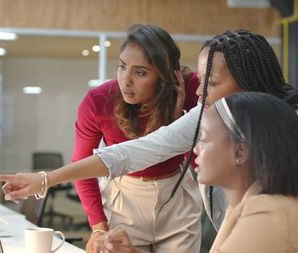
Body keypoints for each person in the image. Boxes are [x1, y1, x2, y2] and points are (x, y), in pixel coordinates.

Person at [0, 30, 298, 252]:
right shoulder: (211, 115)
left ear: (248, 83)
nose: (200, 96)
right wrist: (47, 179)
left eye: (210, 84)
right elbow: (132, 153)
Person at [94, 92, 298, 253]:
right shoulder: (251, 202)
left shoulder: (266, 217)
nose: (195, 149)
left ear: (240, 151)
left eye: (205, 139)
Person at [72, 24, 202, 253]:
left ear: (164, 76)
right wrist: (98, 227)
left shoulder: (190, 89)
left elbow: (201, 155)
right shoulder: (98, 100)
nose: (126, 80)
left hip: (176, 195)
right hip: (124, 199)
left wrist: (179, 119)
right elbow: (83, 169)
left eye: (140, 72)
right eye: (122, 66)